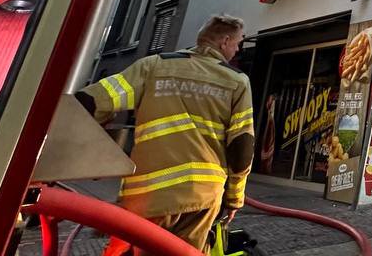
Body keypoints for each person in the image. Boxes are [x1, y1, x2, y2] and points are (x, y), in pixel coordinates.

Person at [76, 15, 254, 254]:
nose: (238, 49)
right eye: (237, 43)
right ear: (224, 42)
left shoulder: (153, 66)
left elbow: (89, 101)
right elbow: (242, 148)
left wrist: (90, 155)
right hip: (200, 198)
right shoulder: (236, 81)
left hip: (146, 197)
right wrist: (234, 199)